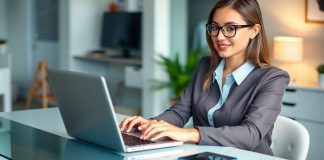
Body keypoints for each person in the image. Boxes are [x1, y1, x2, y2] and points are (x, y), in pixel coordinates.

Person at [120, 0, 289, 155]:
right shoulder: (205, 66)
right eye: (215, 27)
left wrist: (191, 133)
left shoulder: (272, 79)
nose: (219, 36)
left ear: (254, 31)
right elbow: (180, 111)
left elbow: (251, 134)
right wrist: (150, 125)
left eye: (231, 28)